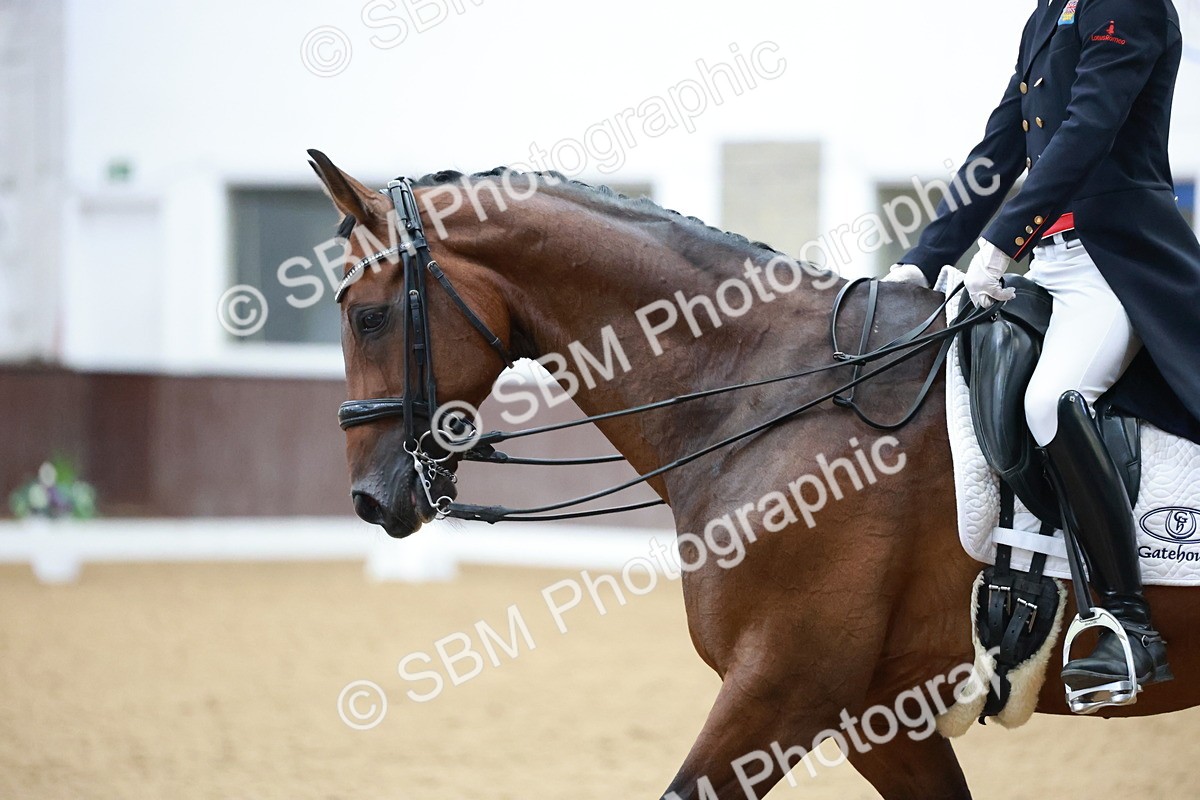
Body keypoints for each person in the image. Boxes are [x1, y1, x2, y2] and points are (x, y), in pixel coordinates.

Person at [887, 0, 1200, 701]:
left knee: (1052, 400)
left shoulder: (1129, 3)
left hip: (1114, 263)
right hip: (1050, 266)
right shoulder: (1048, 12)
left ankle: (1130, 625)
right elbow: (1002, 147)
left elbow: (1089, 128)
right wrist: (923, 257)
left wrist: (999, 243)